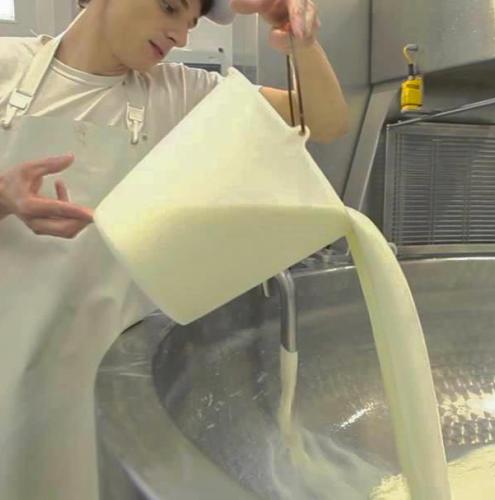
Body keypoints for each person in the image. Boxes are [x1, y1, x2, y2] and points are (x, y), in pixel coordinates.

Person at [0, 0, 348, 498]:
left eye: (191, 22)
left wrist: (301, 43)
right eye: (170, 8)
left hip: (103, 376)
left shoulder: (180, 94)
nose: (181, 36)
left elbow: (326, 121)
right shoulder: (7, 67)